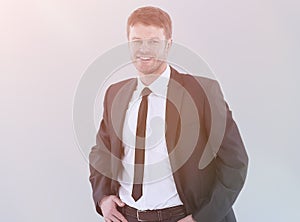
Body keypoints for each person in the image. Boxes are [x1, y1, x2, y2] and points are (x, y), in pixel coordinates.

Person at [89, 6, 248, 222]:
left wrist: (201, 218)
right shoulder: (115, 94)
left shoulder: (202, 93)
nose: (144, 49)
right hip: (127, 217)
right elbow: (101, 153)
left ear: (168, 45)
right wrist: (102, 198)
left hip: (183, 217)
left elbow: (235, 162)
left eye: (154, 42)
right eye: (137, 41)